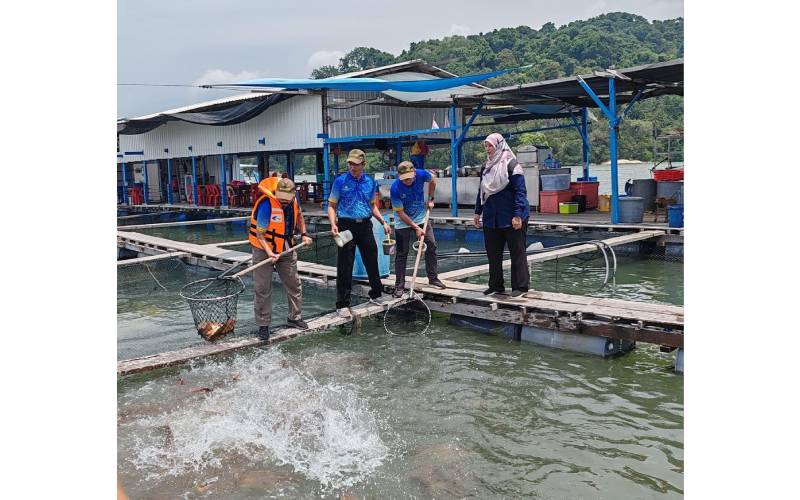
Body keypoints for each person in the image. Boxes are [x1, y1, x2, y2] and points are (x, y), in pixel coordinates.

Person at [328, 149, 392, 317]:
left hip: (365, 225)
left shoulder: (370, 182)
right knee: (345, 264)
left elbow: (372, 205)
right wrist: (333, 223)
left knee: (372, 259)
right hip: (345, 225)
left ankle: (376, 294)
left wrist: (383, 222)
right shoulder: (340, 181)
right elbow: (332, 206)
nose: (352, 167)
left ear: (363, 164)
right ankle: (342, 303)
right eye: (350, 163)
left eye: (356, 164)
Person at [249, 176, 313, 341]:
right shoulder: (266, 205)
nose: (284, 203)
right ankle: (263, 325)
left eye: (287, 200)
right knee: (263, 288)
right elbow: (260, 234)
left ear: (292, 196)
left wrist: (304, 234)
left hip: (286, 248)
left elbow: (299, 216)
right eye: (281, 200)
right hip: (263, 249)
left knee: (294, 284)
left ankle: (294, 317)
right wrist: (270, 253)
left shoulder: (293, 202)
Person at [473, 133, 530, 298]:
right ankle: (496, 285)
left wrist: (518, 215)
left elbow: (520, 192)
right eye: (486, 146)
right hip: (492, 217)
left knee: (517, 251)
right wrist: (478, 212)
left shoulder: (512, 166)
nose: (488, 149)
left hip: (512, 216)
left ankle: (520, 286)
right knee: (493, 252)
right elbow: (482, 191)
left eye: (490, 145)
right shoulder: (486, 167)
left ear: (499, 145)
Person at [390, 161, 447, 297]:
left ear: (414, 173)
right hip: (402, 222)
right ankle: (399, 286)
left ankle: (433, 278)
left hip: (421, 218)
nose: (408, 181)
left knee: (431, 245)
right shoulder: (395, 188)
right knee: (402, 253)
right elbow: (400, 213)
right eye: (405, 179)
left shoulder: (422, 175)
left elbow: (433, 179)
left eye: (410, 178)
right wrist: (415, 227)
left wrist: (431, 198)